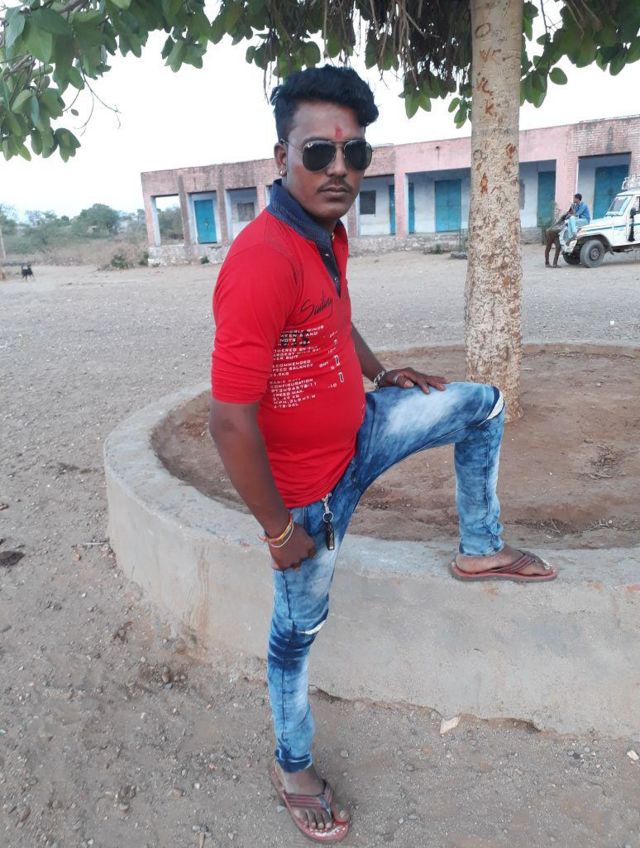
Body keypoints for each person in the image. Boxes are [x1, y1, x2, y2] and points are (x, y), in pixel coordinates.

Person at [209, 65, 557, 844]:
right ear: (281, 156)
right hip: (309, 499)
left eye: (355, 153)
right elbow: (228, 422)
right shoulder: (262, 260)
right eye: (319, 152)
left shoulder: (325, 235)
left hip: (364, 431)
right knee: (297, 634)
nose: (339, 169)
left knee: (483, 405)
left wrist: (378, 372)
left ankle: (480, 548)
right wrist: (278, 531)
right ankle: (292, 766)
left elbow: (331, 316)